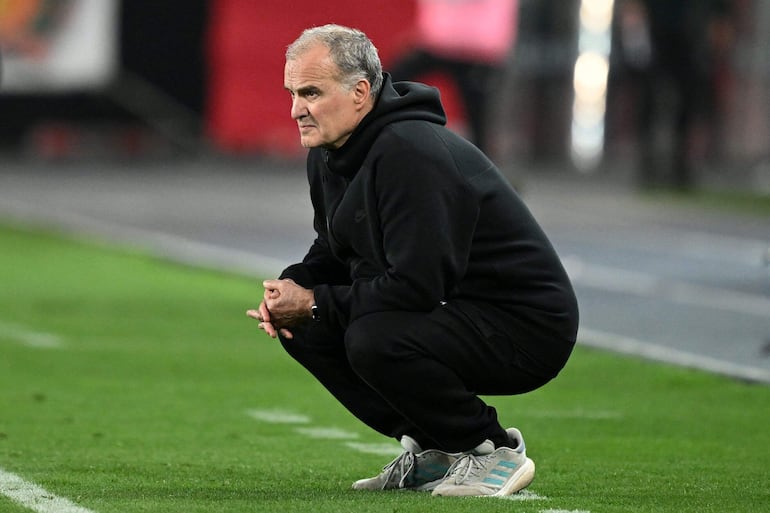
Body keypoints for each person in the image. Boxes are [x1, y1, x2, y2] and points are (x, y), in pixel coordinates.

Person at [247, 24, 578, 497]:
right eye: (293, 93)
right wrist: (291, 288)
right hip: (453, 309)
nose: (296, 108)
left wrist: (317, 301)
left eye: (311, 93)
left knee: (373, 337)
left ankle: (491, 449)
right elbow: (336, 248)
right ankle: (435, 451)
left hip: (525, 327)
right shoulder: (329, 149)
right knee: (307, 327)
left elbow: (416, 286)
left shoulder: (410, 152)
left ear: (360, 92)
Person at [388, 0, 518, 155]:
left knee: (478, 119)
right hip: (438, 42)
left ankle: (483, 169)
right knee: (388, 84)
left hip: (477, 49)